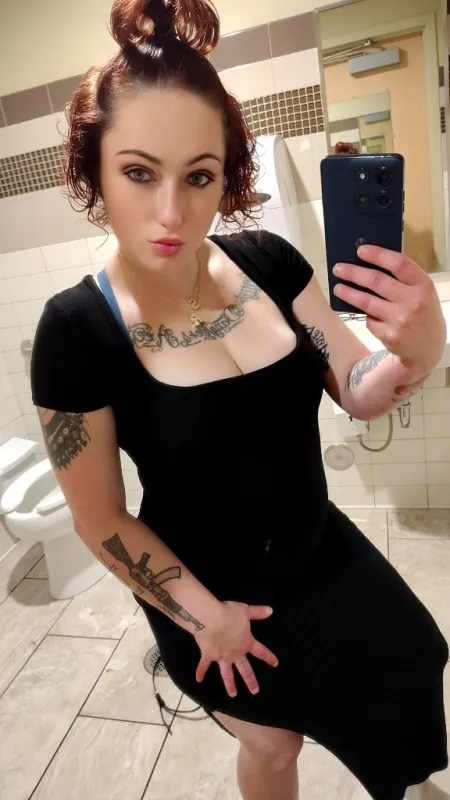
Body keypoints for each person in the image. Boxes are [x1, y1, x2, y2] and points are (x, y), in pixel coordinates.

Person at [30, 1, 449, 798]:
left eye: (198, 176)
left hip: (318, 548)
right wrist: (204, 618)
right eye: (139, 172)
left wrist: (416, 354)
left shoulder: (269, 262)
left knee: (418, 654)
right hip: (206, 589)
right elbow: (100, 519)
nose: (171, 213)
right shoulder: (76, 330)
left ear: (225, 175)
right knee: (275, 743)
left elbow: (357, 387)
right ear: (95, 170)